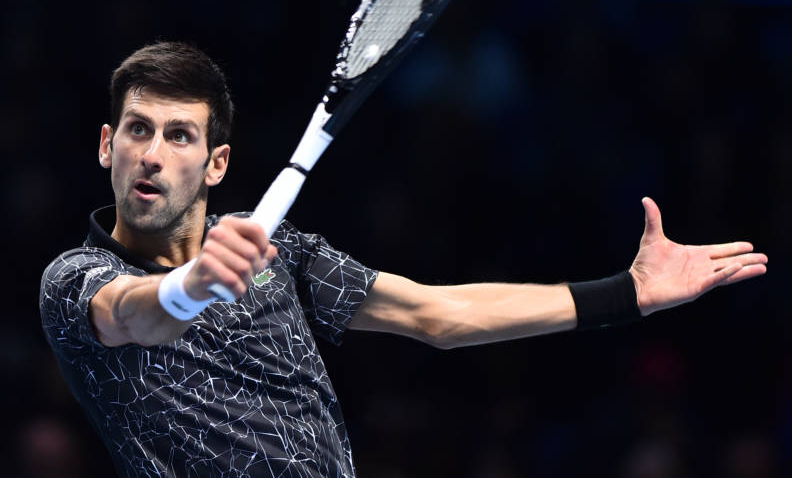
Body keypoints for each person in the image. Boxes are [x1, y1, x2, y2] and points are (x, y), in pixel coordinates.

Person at [39, 41, 767, 477]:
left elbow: (436, 314)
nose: (153, 153)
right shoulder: (77, 280)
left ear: (217, 162)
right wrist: (194, 283)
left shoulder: (279, 253)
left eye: (179, 135)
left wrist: (625, 293)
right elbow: (135, 316)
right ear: (107, 145)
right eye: (137, 129)